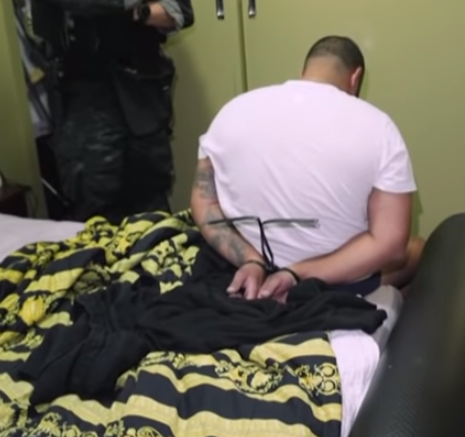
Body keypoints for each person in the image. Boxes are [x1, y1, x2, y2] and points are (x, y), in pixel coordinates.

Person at [190, 36, 424, 301]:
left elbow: (204, 203)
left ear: (304, 71)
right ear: (355, 78)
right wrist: (296, 273)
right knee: (417, 249)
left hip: (241, 271)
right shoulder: (380, 128)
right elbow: (391, 244)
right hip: (330, 283)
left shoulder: (231, 111)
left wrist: (252, 260)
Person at [29, 0, 193, 223]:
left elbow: (181, 11)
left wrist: (138, 12)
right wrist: (133, 8)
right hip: (85, 99)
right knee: (96, 206)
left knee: (153, 203)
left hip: (142, 93)